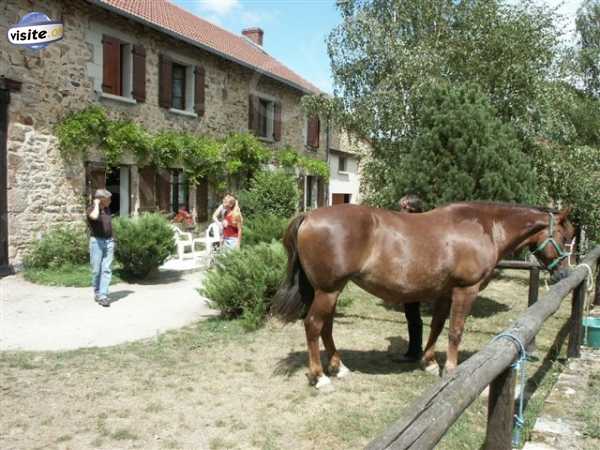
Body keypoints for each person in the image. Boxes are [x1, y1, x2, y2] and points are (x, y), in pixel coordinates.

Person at [397, 194, 425, 362]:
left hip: (416, 274)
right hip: (410, 273)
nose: (401, 211)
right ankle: (415, 350)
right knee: (411, 313)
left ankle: (415, 352)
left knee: (413, 313)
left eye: (404, 208)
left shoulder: (417, 225)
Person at [87, 189, 114, 308]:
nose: (111, 201)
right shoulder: (92, 209)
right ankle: (97, 292)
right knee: (96, 270)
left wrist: (113, 239)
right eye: (108, 199)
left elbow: (109, 225)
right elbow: (94, 217)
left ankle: (103, 295)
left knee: (106, 269)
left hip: (109, 241)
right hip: (96, 242)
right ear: (101, 200)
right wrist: (97, 204)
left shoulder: (108, 209)